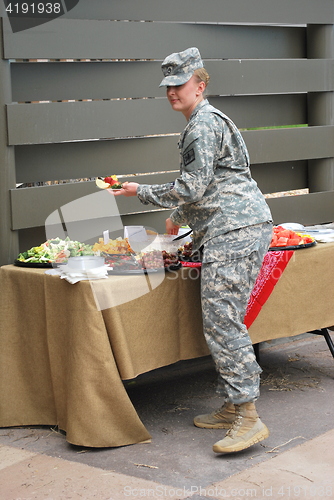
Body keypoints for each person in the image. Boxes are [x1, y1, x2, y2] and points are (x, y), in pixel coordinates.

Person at [113, 47, 273, 454]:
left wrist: (139, 191)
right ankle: (232, 404)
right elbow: (216, 178)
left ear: (199, 86)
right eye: (167, 85)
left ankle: (249, 418)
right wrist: (182, 213)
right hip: (235, 225)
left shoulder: (202, 125)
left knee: (223, 323)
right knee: (224, 319)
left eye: (179, 84)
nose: (172, 92)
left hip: (232, 231)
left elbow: (192, 186)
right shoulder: (208, 120)